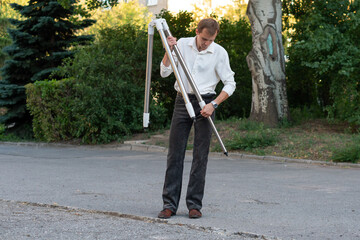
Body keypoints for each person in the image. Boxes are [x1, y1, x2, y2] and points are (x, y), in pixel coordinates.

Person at [158, 18, 236, 219]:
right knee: (175, 154)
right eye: (203, 39)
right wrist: (169, 49)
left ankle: (194, 205)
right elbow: (165, 72)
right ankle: (169, 205)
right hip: (182, 100)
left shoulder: (219, 53)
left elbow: (230, 84)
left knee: (201, 156)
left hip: (207, 102)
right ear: (197, 32)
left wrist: (214, 104)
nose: (206, 43)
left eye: (210, 40)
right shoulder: (182, 44)